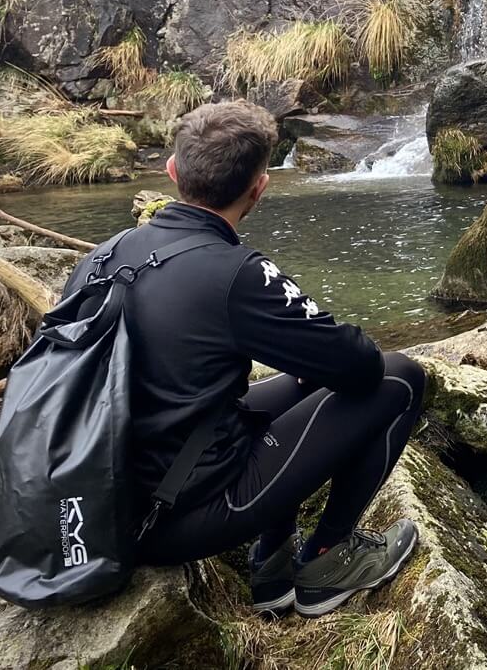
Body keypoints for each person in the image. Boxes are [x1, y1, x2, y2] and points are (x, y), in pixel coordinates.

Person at [61, 100, 426, 617]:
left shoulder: (101, 256)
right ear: (259, 186)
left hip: (94, 503)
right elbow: (361, 365)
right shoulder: (237, 272)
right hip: (168, 521)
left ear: (172, 172)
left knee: (298, 384)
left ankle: (271, 568)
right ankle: (327, 562)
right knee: (401, 377)